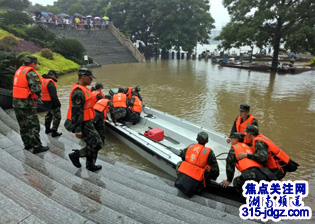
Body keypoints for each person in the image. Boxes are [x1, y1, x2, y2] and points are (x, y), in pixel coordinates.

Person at [64, 68, 103, 172]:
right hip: (82, 123)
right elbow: (77, 111)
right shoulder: (78, 92)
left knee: (92, 143)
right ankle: (76, 155)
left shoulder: (84, 88)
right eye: (90, 78)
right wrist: (77, 129)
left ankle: (91, 165)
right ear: (84, 77)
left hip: (88, 120)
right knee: (97, 143)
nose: (91, 80)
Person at [12, 55, 49, 154]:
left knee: (23, 124)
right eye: (36, 64)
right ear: (33, 64)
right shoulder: (31, 73)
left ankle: (27, 144)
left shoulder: (19, 71)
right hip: (27, 103)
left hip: (16, 102)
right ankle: (37, 146)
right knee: (33, 125)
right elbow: (36, 89)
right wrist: (39, 97)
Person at [175, 132, 219, 197]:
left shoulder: (190, 147)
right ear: (207, 141)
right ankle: (200, 188)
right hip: (197, 177)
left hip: (186, 172)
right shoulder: (209, 152)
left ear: (196, 139)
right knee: (209, 170)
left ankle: (181, 178)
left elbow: (182, 155)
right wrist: (214, 178)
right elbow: (216, 170)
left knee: (180, 163)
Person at [41, 70, 62, 137]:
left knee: (48, 115)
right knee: (57, 117)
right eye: (56, 76)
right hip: (51, 102)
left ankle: (47, 129)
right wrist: (58, 103)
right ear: (53, 75)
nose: (56, 78)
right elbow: (53, 95)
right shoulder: (50, 82)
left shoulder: (43, 80)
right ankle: (54, 131)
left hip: (45, 101)